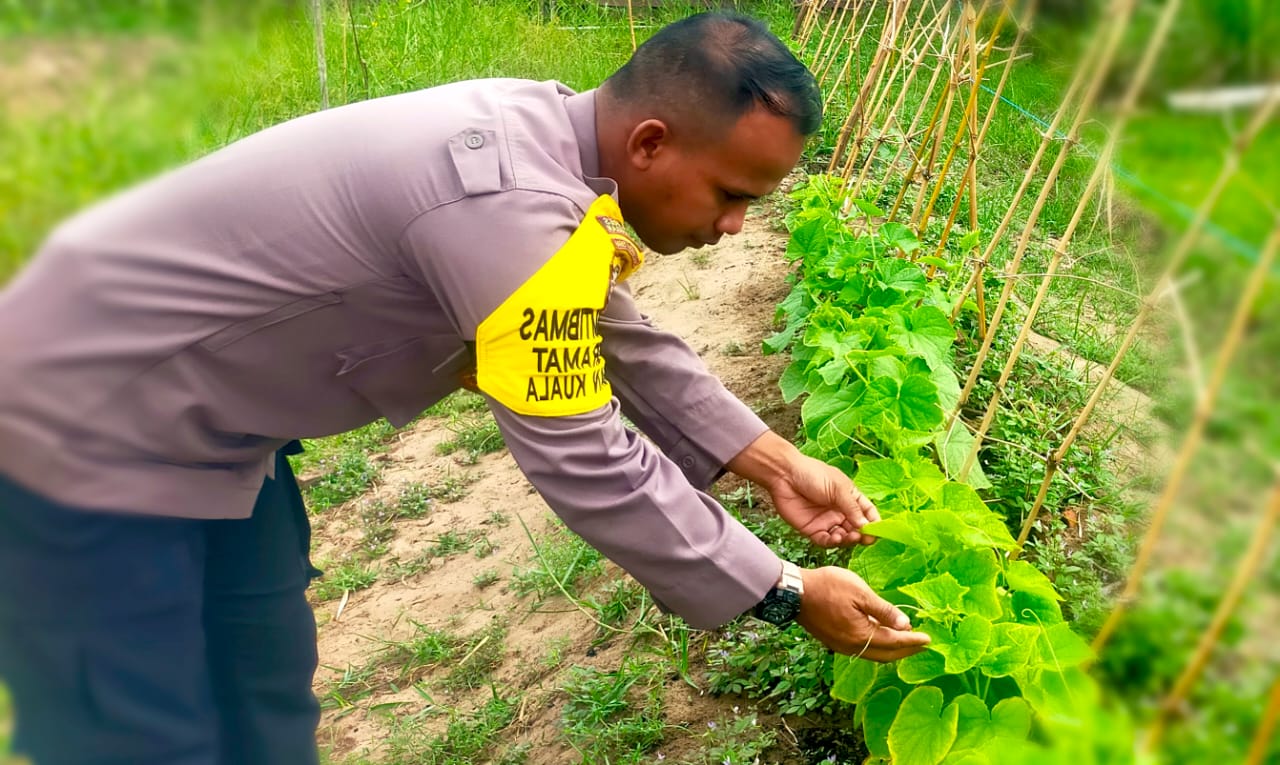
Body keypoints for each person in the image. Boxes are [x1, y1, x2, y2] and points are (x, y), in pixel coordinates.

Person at [0, 11, 929, 765]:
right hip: (76, 428)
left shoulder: (552, 141)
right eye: (732, 193)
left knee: (264, 690)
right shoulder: (502, 199)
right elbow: (585, 450)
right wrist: (781, 590)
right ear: (651, 141)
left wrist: (772, 462)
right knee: (140, 731)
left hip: (208, 434)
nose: (734, 226)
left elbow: (610, 330)